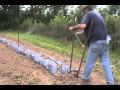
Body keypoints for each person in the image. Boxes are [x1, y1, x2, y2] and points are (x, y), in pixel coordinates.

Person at [69, 5, 115, 85]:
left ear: (86, 9)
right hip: (104, 41)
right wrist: (78, 33)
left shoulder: (88, 14)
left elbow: (83, 26)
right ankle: (111, 82)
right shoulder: (97, 14)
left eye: (83, 11)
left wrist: (73, 28)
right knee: (106, 62)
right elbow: (86, 29)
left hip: (96, 42)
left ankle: (84, 80)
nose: (83, 12)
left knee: (89, 61)